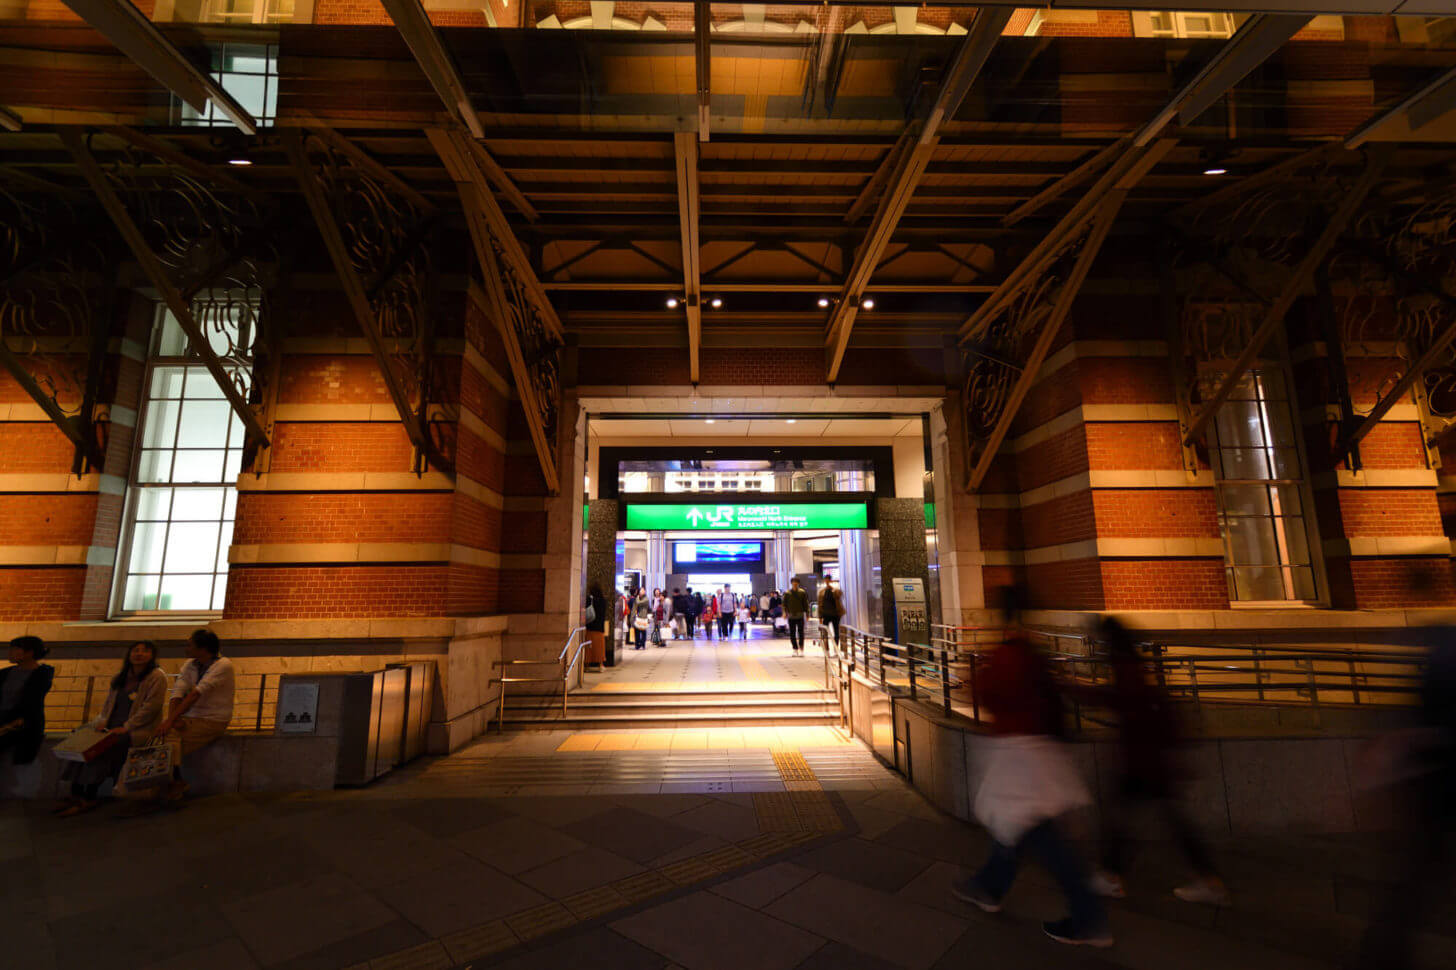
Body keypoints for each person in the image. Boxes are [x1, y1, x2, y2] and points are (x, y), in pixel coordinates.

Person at [952, 586, 1111, 948]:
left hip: (1020, 760)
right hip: (1039, 754)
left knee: (1037, 836)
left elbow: (983, 693)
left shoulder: (1007, 656)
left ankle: (1089, 920)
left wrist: (974, 672)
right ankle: (988, 887)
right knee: (1015, 830)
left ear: (1001, 616)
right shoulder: (1033, 652)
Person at [1080, 617, 1226, 905]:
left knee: (1123, 820)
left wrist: (1076, 690)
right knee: (1166, 822)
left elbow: (1118, 700)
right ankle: (1207, 879)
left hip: (1140, 761)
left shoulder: (1126, 669)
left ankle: (1111, 876)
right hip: (1151, 760)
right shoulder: (1134, 665)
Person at [1356, 624, 1456, 969]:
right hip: (1433, 791)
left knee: (1413, 884)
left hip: (1430, 791)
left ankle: (1381, 954)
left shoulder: (1439, 667)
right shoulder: (1444, 665)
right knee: (1415, 882)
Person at [55, 640, 167, 817]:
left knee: (101, 749)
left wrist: (126, 727)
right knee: (79, 742)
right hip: (111, 727)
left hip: (136, 730)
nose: (139, 654)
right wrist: (99, 723)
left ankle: (89, 795)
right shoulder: (120, 677)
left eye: (145, 651)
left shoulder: (156, 676)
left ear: (152, 656)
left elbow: (151, 707)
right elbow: (108, 706)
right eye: (135, 650)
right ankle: (74, 793)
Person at [152, 628, 236, 805]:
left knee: (167, 741)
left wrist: (170, 721)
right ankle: (174, 782)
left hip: (213, 719)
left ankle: (173, 782)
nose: (186, 648)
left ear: (203, 648)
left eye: (190, 645)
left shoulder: (223, 665)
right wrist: (172, 720)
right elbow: (178, 692)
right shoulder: (190, 664)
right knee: (166, 737)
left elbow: (196, 694)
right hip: (191, 717)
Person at [0, 636, 54, 767]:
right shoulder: (5, 673)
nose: (10, 653)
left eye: (14, 649)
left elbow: (32, 705)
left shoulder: (41, 675)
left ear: (29, 653)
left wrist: (9, 725)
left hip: (20, 727)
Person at [584, 584, 608, 671]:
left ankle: (586, 665)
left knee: (588, 648)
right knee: (599, 648)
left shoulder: (589, 599)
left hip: (590, 626)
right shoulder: (603, 601)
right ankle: (600, 665)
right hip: (599, 628)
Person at [783, 578, 809, 654]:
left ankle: (801, 648)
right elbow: (784, 604)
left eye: (796, 582)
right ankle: (795, 648)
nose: (795, 583)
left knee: (801, 633)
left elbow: (806, 604)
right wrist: (784, 613)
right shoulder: (787, 593)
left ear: (798, 583)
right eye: (794, 582)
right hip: (791, 616)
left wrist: (807, 614)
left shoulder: (802, 592)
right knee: (792, 633)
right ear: (791, 583)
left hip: (800, 615)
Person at [817, 578, 844, 646]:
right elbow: (820, 604)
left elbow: (840, 595)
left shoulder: (835, 590)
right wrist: (820, 617)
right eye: (826, 580)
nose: (827, 581)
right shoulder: (821, 592)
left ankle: (836, 647)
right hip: (826, 614)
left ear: (831, 581)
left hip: (835, 614)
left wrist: (833, 587)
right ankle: (827, 648)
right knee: (824, 632)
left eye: (828, 580)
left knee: (836, 632)